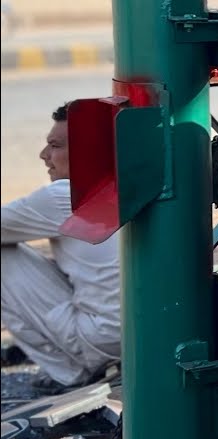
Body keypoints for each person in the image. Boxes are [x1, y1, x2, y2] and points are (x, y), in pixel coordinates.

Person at [1, 102, 121, 394]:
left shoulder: (63, 195)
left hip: (103, 339)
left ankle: (70, 372)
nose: (44, 156)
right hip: (147, 330)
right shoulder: (130, 181)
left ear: (86, 153)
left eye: (54, 146)